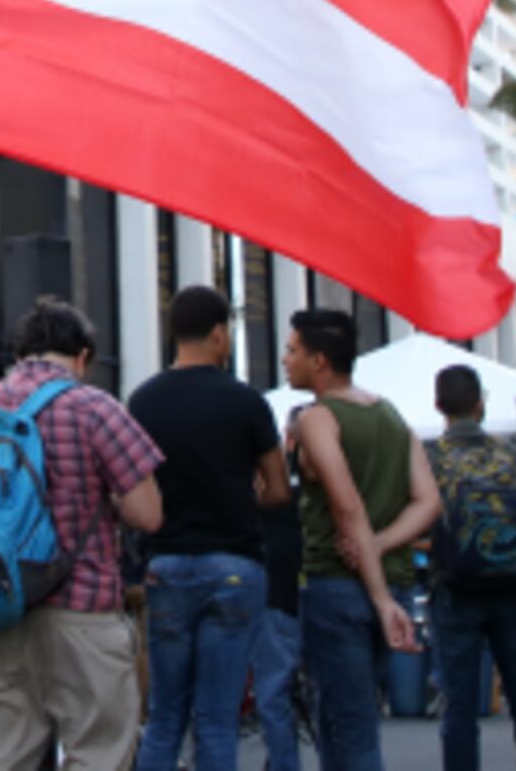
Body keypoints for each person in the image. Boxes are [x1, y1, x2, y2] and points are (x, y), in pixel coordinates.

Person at [0, 298, 165, 771]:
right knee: (97, 750)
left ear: (20, 353)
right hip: (83, 607)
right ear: (83, 357)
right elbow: (148, 514)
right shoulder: (95, 408)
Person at [127, 286, 291, 771]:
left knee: (164, 718)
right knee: (218, 719)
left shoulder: (143, 401)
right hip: (234, 563)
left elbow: (132, 489)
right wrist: (240, 497)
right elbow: (279, 488)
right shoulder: (246, 403)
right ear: (220, 334)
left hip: (167, 563)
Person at [281, 307, 429, 771]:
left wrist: (379, 596)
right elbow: (427, 501)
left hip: (339, 585)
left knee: (351, 728)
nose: (286, 360)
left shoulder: (318, 418)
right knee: (344, 722)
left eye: (292, 350)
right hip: (396, 577)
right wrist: (382, 546)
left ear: (319, 361)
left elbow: (346, 506)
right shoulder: (390, 415)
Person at [425, 363, 516, 771]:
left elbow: (422, 518)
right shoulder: (511, 453)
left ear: (439, 405)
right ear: (481, 404)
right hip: (513, 590)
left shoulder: (431, 457)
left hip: (455, 590)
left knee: (459, 706)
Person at [251, 487, 306, 771]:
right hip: (307, 589)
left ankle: (283, 763)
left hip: (274, 595)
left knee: (273, 695)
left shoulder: (264, 499)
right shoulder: (303, 494)